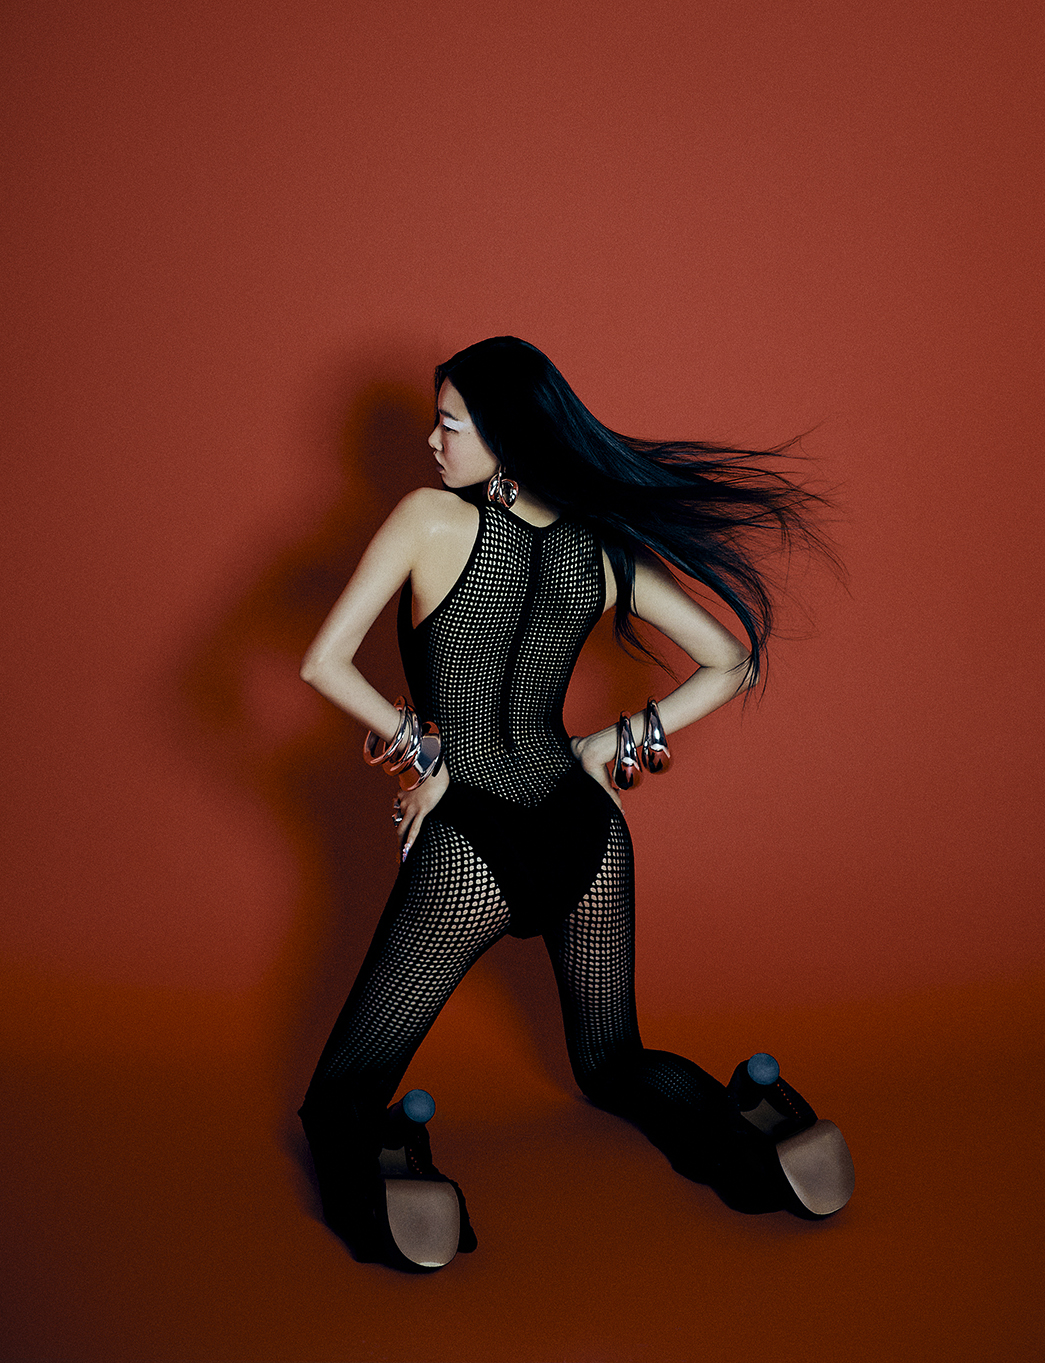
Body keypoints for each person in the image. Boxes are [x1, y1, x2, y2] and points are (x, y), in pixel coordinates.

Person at [297, 336, 854, 1271]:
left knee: (343, 1094)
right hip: (585, 831)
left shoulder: (428, 519)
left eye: (450, 423)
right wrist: (609, 745)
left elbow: (323, 663)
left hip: (471, 845)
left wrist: (426, 754)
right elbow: (731, 660)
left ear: (505, 436)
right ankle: (757, 1133)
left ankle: (392, 1193)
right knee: (614, 1062)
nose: (433, 442)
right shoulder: (602, 544)